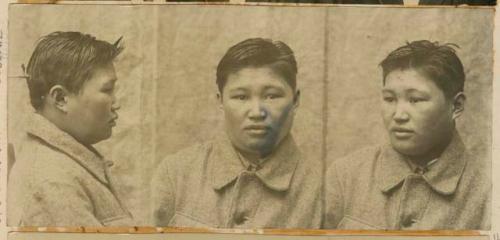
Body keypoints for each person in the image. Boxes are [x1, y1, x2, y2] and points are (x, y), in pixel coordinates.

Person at [151, 38, 323, 228]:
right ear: (220, 101)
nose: (257, 112)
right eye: (241, 97)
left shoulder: (322, 190)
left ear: (295, 100)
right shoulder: (176, 175)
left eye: (272, 96)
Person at [323, 40, 490, 230]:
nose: (399, 115)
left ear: (456, 106)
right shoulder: (346, 176)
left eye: (416, 100)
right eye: (389, 99)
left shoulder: (487, 191)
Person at [8, 31, 132, 226]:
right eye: (107, 90)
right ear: (60, 99)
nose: (116, 103)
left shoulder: (64, 167)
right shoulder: (52, 183)